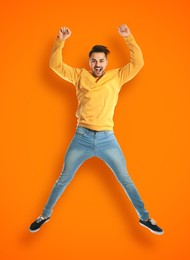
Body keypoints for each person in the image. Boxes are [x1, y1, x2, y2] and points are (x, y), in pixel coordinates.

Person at [29, 24, 163, 235]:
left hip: (107, 140)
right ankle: (44, 214)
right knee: (63, 177)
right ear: (89, 62)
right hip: (81, 137)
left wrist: (128, 37)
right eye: (94, 60)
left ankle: (145, 217)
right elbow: (55, 64)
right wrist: (60, 40)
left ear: (107, 62)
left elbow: (138, 63)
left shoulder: (117, 76)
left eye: (101, 60)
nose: (97, 64)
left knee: (125, 179)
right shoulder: (79, 75)